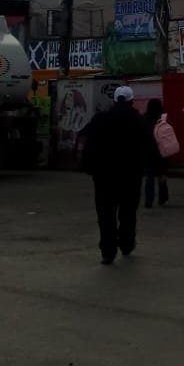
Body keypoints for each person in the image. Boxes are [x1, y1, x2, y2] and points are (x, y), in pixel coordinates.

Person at [81, 86, 153, 264]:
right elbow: (149, 146)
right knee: (128, 212)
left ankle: (108, 251)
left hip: (104, 176)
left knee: (106, 214)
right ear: (131, 101)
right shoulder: (139, 121)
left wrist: (89, 167)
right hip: (131, 176)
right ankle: (127, 243)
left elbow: (87, 141)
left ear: (114, 100)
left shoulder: (100, 119)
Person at [143, 98, 172, 209]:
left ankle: (148, 200)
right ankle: (163, 197)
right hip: (162, 151)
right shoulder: (163, 118)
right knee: (162, 175)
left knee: (149, 177)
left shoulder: (144, 118)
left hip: (148, 152)